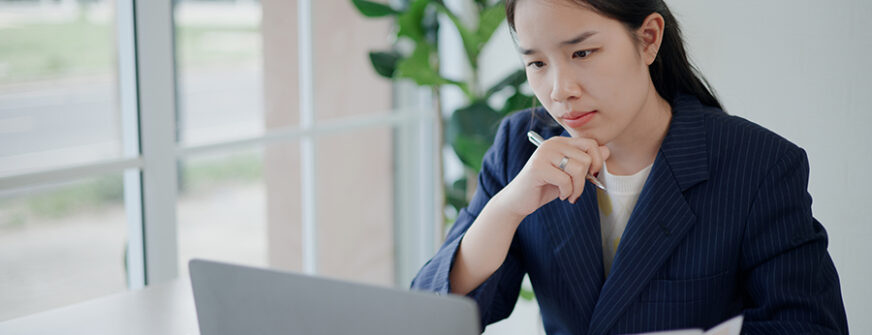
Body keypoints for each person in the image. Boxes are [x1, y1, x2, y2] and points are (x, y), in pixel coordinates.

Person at [410, 0, 849, 334]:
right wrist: (506, 210)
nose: (560, 90)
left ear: (648, 39)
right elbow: (431, 317)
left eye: (582, 53)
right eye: (537, 63)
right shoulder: (517, 149)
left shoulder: (760, 166)